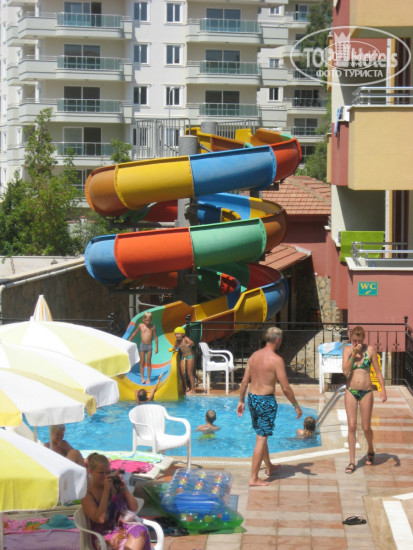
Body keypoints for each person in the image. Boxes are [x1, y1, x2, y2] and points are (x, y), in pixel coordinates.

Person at [237, 327, 302, 486]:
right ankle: (253, 478)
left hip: (252, 398)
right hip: (266, 401)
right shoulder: (276, 360)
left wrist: (241, 401)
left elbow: (244, 382)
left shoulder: (254, 356)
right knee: (261, 437)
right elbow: (285, 388)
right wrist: (296, 405)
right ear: (277, 340)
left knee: (261, 433)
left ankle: (269, 466)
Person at [82, 453, 151, 550]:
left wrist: (124, 489)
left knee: (140, 530)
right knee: (128, 540)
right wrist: (106, 491)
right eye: (101, 473)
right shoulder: (87, 495)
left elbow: (134, 507)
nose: (105, 476)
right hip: (102, 534)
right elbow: (100, 519)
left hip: (122, 527)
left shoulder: (114, 486)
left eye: (108, 472)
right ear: (91, 472)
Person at [342, 325, 387, 474]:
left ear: (363, 339)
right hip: (351, 390)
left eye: (359, 341)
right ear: (351, 339)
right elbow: (345, 371)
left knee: (366, 427)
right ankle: (352, 461)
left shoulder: (370, 350)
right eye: (354, 340)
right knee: (352, 426)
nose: (357, 343)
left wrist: (383, 389)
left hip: (366, 391)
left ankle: (370, 448)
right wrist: (353, 354)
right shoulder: (347, 350)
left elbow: (378, 371)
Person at [128, 312, 158, 385]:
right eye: (146, 320)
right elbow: (135, 333)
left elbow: (155, 337)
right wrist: (130, 339)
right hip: (142, 345)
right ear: (143, 319)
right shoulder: (140, 326)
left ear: (151, 320)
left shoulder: (152, 327)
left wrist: (156, 347)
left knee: (149, 362)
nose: (148, 322)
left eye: (149, 320)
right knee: (142, 362)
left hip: (149, 346)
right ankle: (142, 377)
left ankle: (148, 378)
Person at [172, 326, 195, 395]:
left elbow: (192, 343)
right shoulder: (177, 341)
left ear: (182, 334)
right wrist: (172, 349)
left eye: (178, 334)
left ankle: (193, 390)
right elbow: (175, 347)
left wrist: (189, 343)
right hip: (183, 357)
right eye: (175, 334)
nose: (177, 336)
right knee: (182, 373)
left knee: (189, 373)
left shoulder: (185, 339)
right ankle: (186, 387)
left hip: (190, 356)